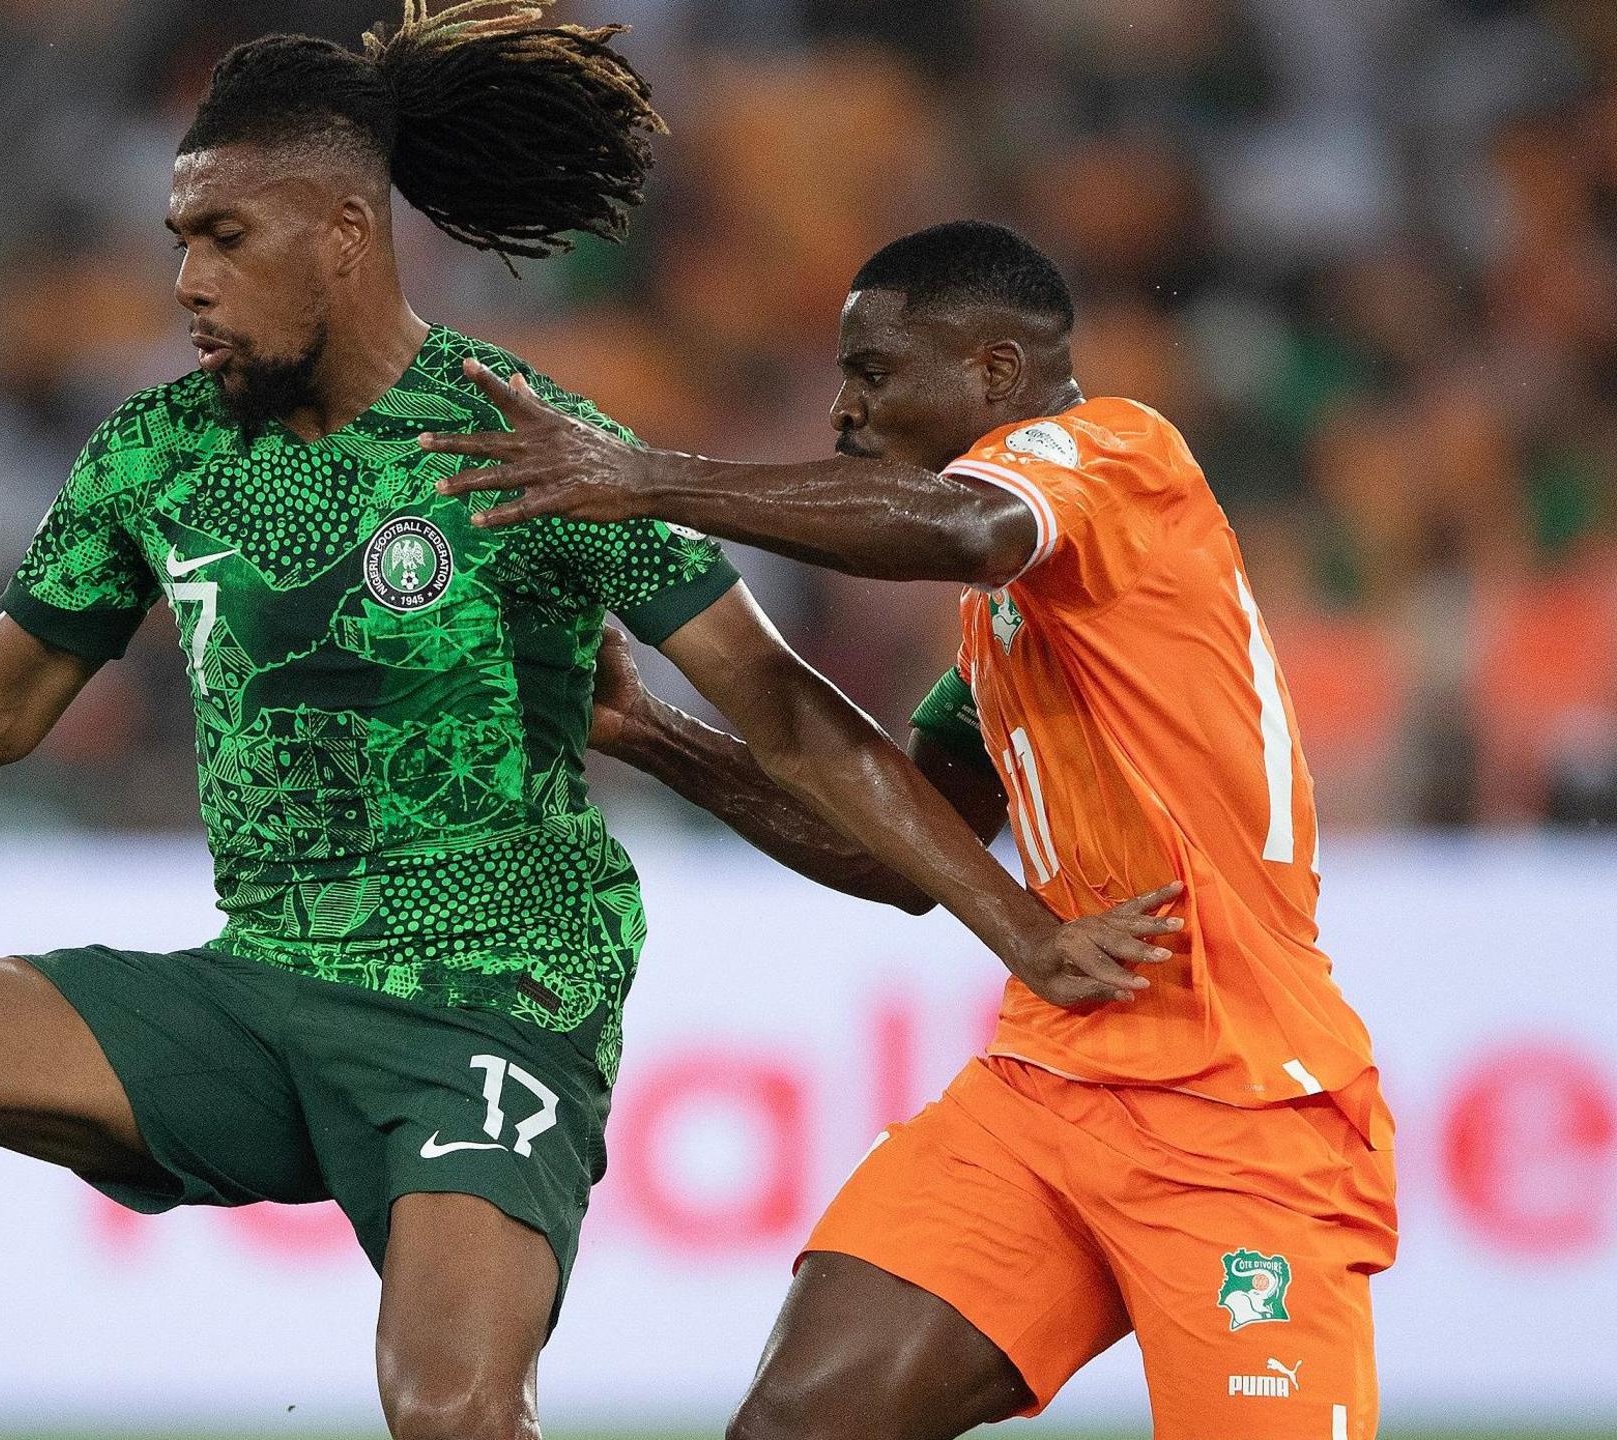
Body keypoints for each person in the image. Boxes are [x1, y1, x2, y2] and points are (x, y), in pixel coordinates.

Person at [0, 15, 1171, 1434]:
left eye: (220, 236)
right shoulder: (156, 452)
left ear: (343, 237)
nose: (185, 278)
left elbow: (796, 727)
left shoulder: (527, 441)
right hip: (263, 989)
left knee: (446, 1409)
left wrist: (1017, 925)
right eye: (175, 238)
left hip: (494, 997)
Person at [429, 219, 1396, 1440]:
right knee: (793, 1426)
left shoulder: (1118, 455)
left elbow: (958, 527)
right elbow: (888, 852)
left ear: (992, 374)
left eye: (872, 374)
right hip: (1050, 1085)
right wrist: (647, 731)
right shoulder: (1007, 626)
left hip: (1238, 1104)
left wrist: (643, 478)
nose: (841, 409)